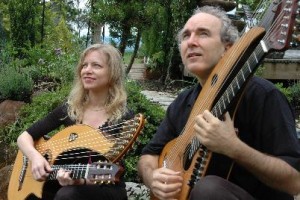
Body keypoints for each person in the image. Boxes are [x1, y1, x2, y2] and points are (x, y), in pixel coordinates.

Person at [138, 5, 300, 200]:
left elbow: (294, 182)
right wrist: (153, 177)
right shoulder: (183, 101)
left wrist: (234, 148)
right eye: (185, 36)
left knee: (208, 190)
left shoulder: (263, 96)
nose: (191, 42)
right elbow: (149, 155)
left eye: (203, 34)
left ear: (228, 49)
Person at [17, 43, 132, 200]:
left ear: (113, 73)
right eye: (84, 65)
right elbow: (24, 137)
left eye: (96, 65)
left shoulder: (123, 116)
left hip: (105, 186)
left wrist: (81, 180)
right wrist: (35, 158)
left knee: (68, 195)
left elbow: (113, 170)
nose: (87, 70)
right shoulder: (71, 109)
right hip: (68, 182)